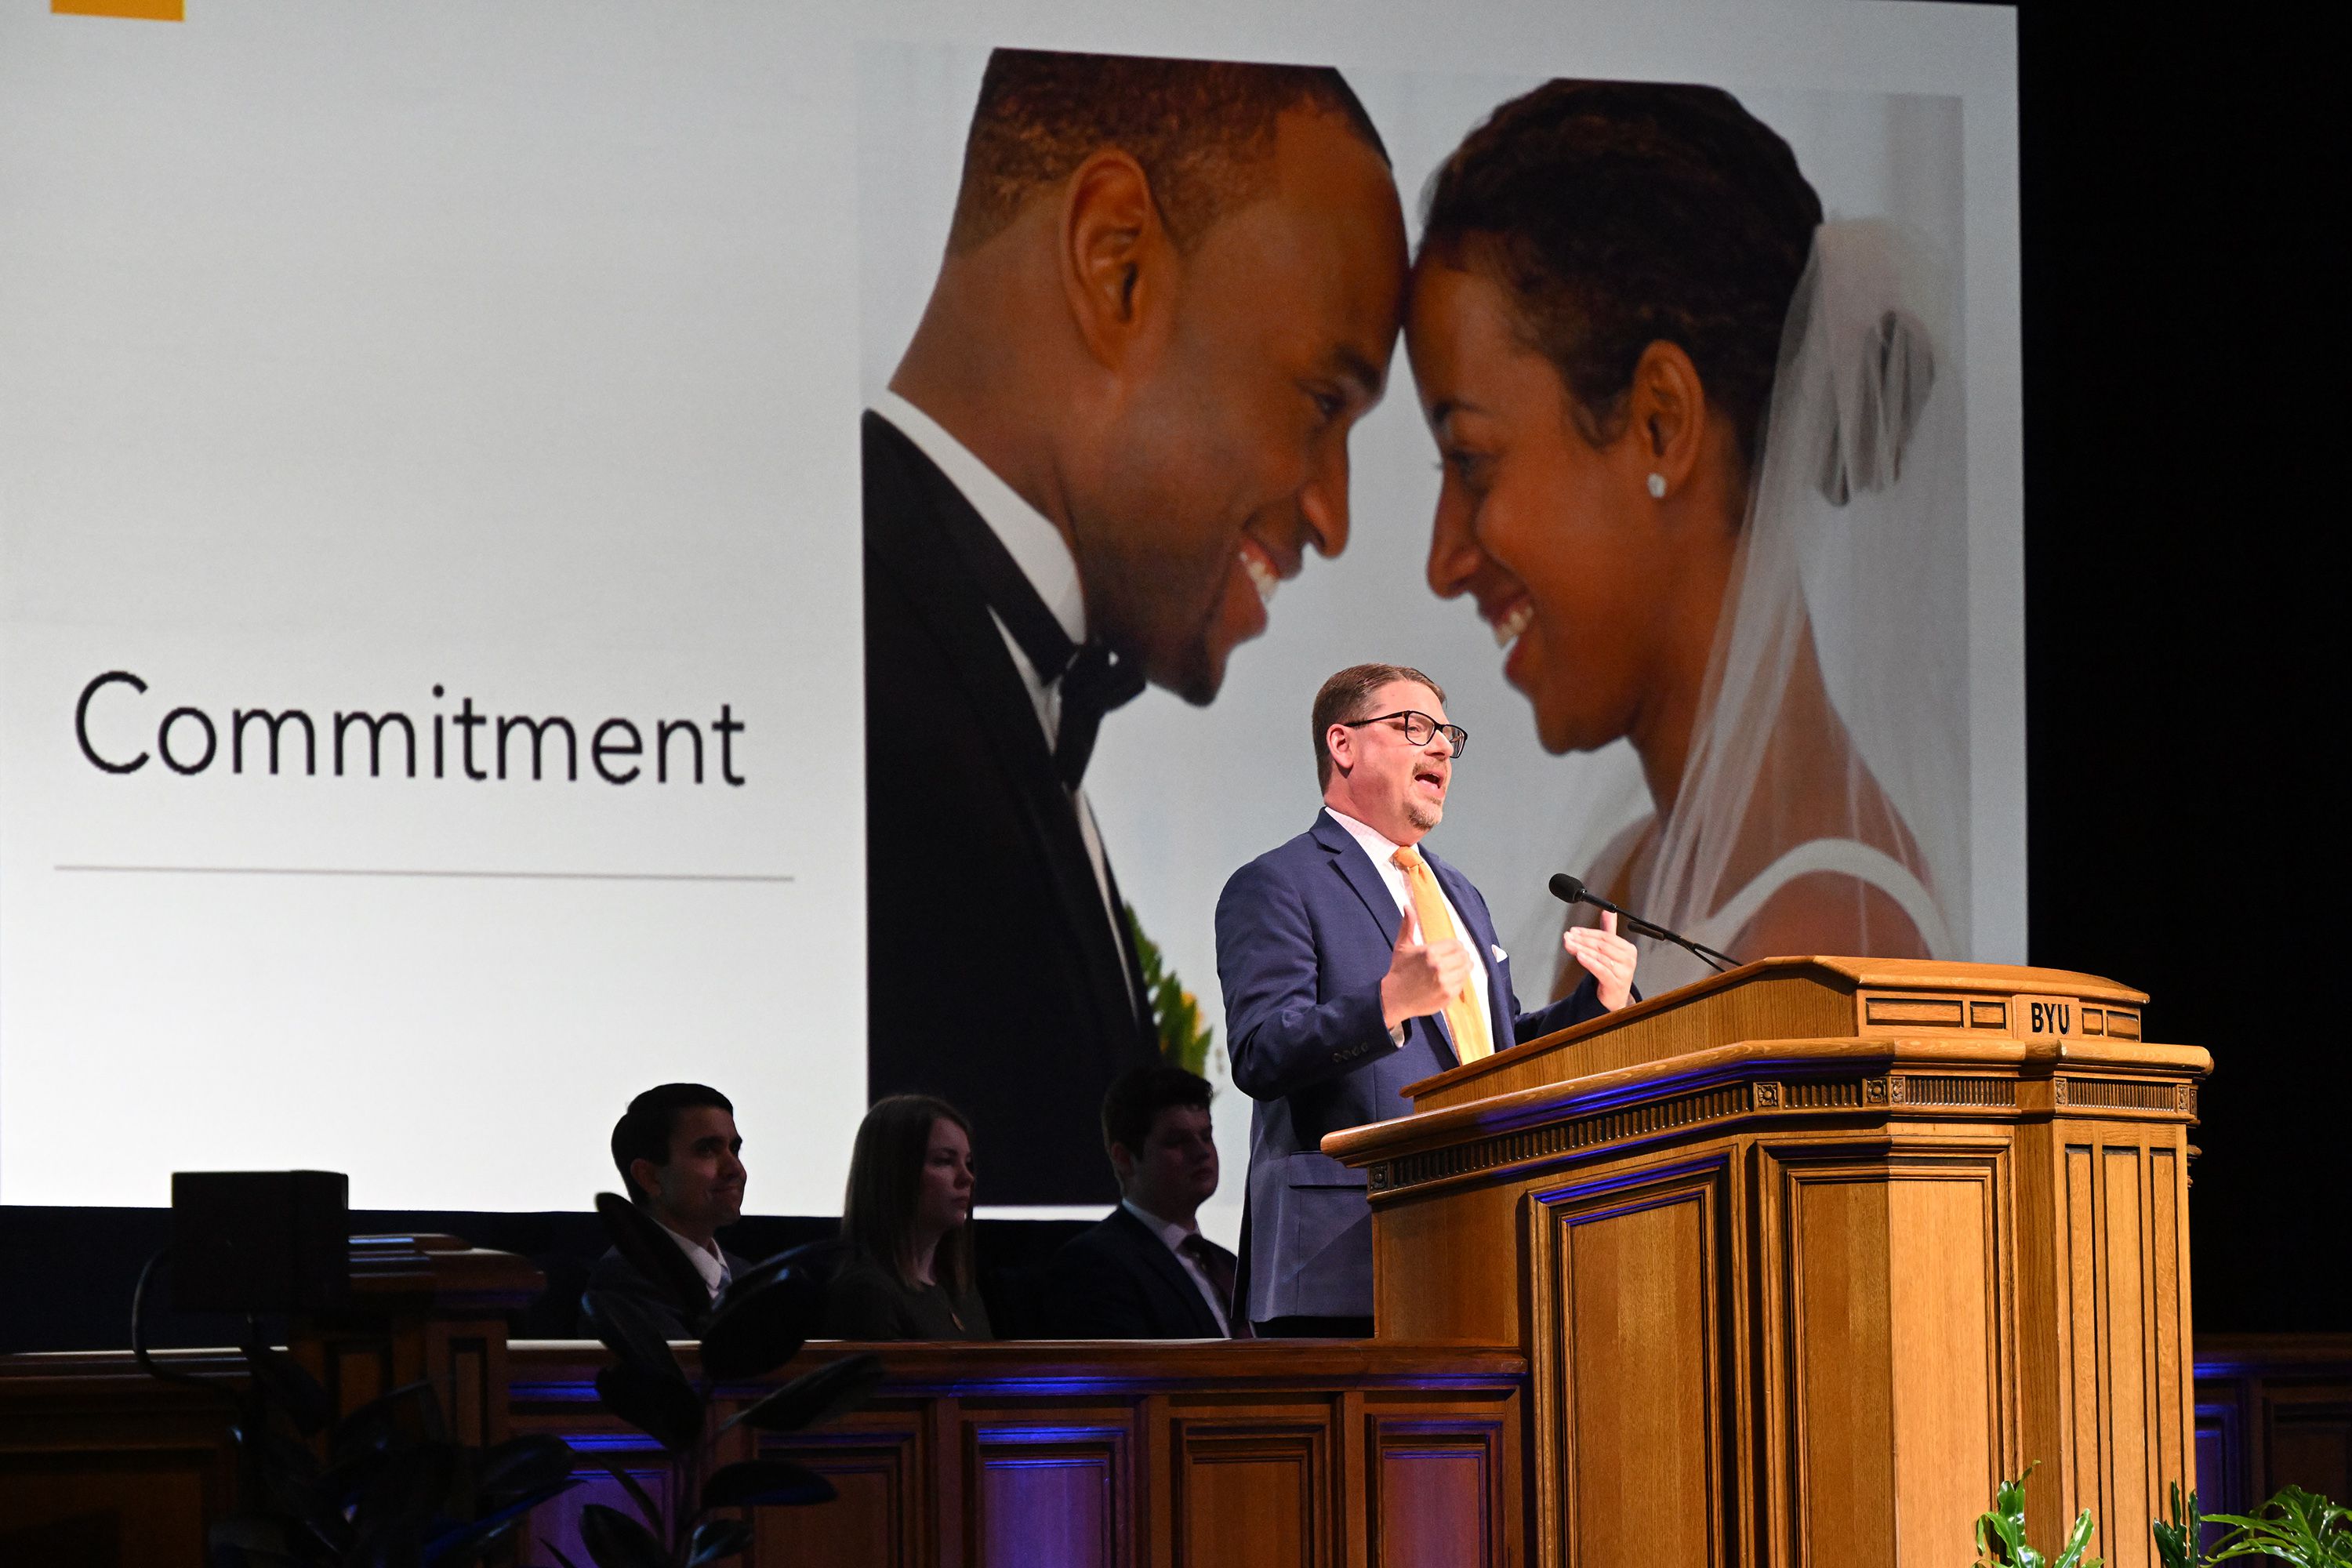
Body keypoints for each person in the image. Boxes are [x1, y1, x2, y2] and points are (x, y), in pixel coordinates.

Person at [865, 48, 1411, 1203]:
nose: (1333, 516)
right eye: (1322, 400)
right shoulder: (877, 657)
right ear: (1116, 264)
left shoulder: (967, 652)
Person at [1408, 81, 1968, 994]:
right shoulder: (1622, 888)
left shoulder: (1822, 955)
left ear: (1662, 424)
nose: (1444, 562)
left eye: (1471, 460)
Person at [1216, 664, 1639, 1335]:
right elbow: (1262, 1051)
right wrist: (1387, 1005)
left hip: (1485, 1240)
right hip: (1346, 1262)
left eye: (1448, 734)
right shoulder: (1277, 883)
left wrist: (1597, 1003)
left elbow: (1496, 1050)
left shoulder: (1458, 893)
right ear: (1343, 744)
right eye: (1414, 727)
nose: (1442, 747)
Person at [1042, 1065, 1241, 1339]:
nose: (1202, 1152)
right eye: (1177, 1141)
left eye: (1206, 1136)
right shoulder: (1095, 1265)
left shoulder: (1228, 1265)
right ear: (1124, 1158)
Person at [584, 1083, 751, 1338]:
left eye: (734, 1149)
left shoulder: (747, 1275)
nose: (735, 1169)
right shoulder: (625, 1283)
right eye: (707, 1150)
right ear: (650, 1177)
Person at [823, 1094, 993, 1341]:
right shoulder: (868, 1294)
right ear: (894, 1174)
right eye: (944, 1161)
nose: (967, 1178)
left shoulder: (960, 1290)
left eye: (968, 1163)